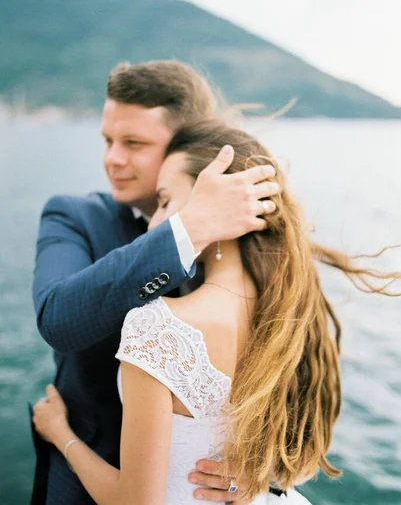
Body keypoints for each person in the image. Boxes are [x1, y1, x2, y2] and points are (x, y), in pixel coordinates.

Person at [33, 119, 400, 504]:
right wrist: (261, 477)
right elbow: (302, 457)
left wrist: (62, 434)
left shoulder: (156, 328)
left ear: (218, 200)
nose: (154, 225)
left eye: (165, 202)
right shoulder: (295, 318)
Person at [30, 61, 279, 504]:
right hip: (81, 478)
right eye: (108, 140)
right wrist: (186, 230)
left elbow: (288, 356)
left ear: (184, 143)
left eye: (134, 143)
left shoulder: (240, 235)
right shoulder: (72, 215)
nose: (113, 158)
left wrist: (264, 465)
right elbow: (57, 320)